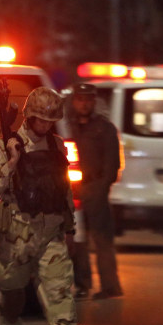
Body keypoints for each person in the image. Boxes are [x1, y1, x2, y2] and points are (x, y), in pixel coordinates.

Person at [0, 86, 100, 325]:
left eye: (51, 120)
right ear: (29, 116)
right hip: (18, 236)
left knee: (60, 296)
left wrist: (71, 229)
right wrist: (11, 162)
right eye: (41, 120)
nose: (46, 125)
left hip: (51, 233)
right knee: (12, 299)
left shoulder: (57, 146)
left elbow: (64, 190)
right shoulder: (7, 144)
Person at [67, 83, 124, 301]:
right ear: (74, 101)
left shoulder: (105, 128)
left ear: (94, 102)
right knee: (78, 241)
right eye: (80, 99)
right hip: (73, 192)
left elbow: (112, 167)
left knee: (102, 241)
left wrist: (99, 190)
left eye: (88, 100)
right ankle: (83, 285)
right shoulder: (67, 128)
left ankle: (111, 286)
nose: (84, 103)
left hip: (95, 190)